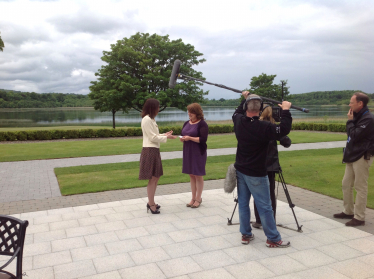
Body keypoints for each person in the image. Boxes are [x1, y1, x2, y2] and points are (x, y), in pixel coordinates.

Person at [233, 91, 292, 247]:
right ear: (260, 110)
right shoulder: (264, 127)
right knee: (265, 205)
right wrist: (285, 110)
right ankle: (273, 238)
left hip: (240, 169)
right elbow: (284, 129)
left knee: (243, 203)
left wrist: (245, 99)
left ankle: (245, 234)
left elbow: (237, 112)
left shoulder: (238, 121)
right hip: (256, 172)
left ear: (246, 107)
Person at [333, 92, 374, 226]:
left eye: (351, 102)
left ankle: (359, 217)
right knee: (346, 184)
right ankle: (348, 211)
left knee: (360, 186)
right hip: (351, 154)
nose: (349, 105)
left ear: (360, 103)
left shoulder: (368, 118)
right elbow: (351, 135)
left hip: (362, 155)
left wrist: (350, 121)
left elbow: (355, 135)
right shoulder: (357, 117)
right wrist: (352, 121)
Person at [252, 105, 291, 229]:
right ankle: (270, 220)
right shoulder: (273, 128)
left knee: (258, 193)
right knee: (270, 194)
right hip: (269, 166)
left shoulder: (256, 125)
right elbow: (287, 142)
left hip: (258, 165)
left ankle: (259, 220)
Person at [139, 98, 177, 214]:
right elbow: (152, 138)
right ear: (152, 108)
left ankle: (152, 201)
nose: (158, 109)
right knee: (153, 178)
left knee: (156, 177)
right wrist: (166, 138)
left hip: (154, 150)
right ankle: (150, 204)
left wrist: (164, 134)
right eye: (157, 107)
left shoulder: (151, 119)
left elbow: (154, 135)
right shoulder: (146, 120)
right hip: (149, 151)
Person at [180, 103, 208, 208]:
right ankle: (193, 197)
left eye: (191, 112)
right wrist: (182, 138)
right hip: (188, 152)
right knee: (191, 174)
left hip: (198, 152)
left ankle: (198, 198)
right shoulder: (186, 123)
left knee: (198, 174)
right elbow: (183, 134)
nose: (189, 114)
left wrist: (190, 138)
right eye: (188, 112)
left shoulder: (202, 124)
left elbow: (203, 139)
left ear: (197, 113)